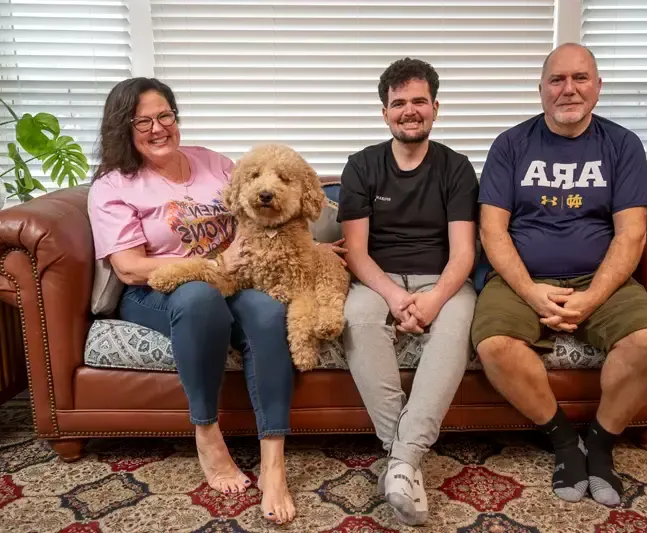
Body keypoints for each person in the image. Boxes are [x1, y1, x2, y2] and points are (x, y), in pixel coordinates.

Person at [87, 77, 344, 526]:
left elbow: (267, 209)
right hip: (156, 292)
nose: (157, 127)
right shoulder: (114, 186)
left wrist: (314, 248)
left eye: (165, 115)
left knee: (266, 311)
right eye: (143, 120)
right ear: (123, 128)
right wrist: (215, 261)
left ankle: (273, 460)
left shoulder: (215, 164)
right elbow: (128, 267)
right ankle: (207, 434)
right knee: (201, 296)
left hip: (233, 281)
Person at [472, 43, 647, 507]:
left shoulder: (622, 145)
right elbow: (492, 230)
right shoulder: (511, 144)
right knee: (493, 345)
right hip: (522, 279)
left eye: (580, 78)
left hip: (600, 276)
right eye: (557, 80)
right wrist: (531, 292)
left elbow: (631, 235)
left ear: (598, 87)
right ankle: (565, 441)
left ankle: (600, 444)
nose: (568, 89)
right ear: (541, 89)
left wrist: (592, 297)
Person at [338, 58, 479, 526]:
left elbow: (463, 254)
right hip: (377, 279)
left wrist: (434, 299)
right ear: (385, 112)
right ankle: (405, 459)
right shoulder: (361, 166)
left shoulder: (456, 169)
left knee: (459, 321)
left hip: (441, 280)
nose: (409, 111)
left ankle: (401, 461)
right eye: (398, 103)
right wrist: (395, 299)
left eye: (419, 101)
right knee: (357, 316)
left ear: (435, 108)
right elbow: (355, 252)